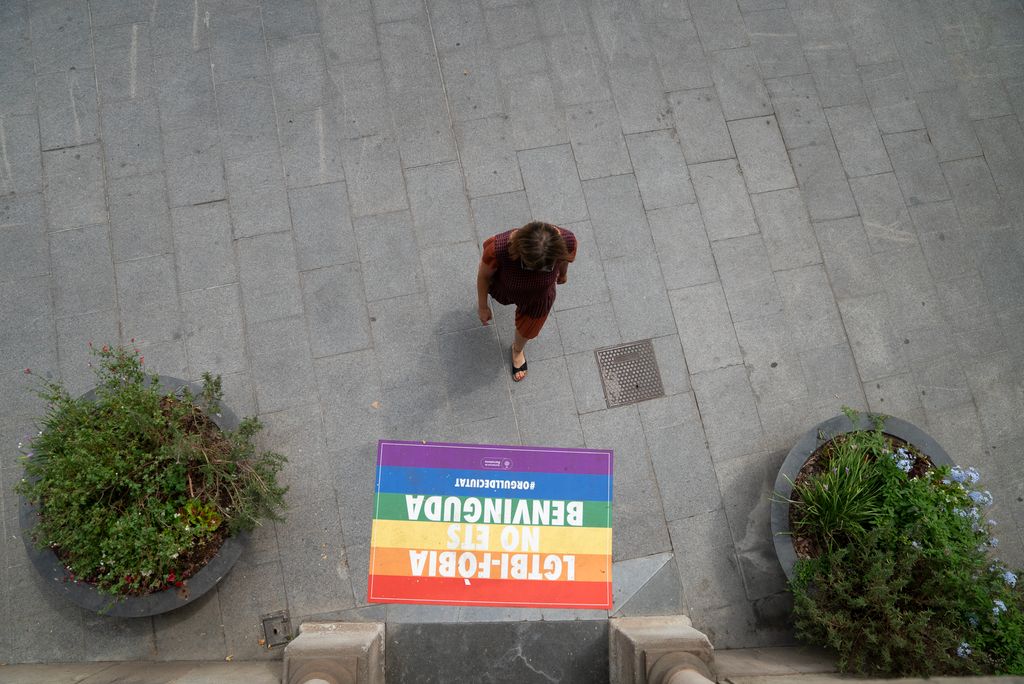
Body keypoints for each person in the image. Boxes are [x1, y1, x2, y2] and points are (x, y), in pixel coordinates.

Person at [476, 221, 577, 382]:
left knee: (527, 330)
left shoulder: (567, 241)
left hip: (538, 298)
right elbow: (484, 276)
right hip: (506, 288)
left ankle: (517, 350)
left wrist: (563, 274)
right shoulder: (499, 249)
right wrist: (482, 306)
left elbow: (565, 259)